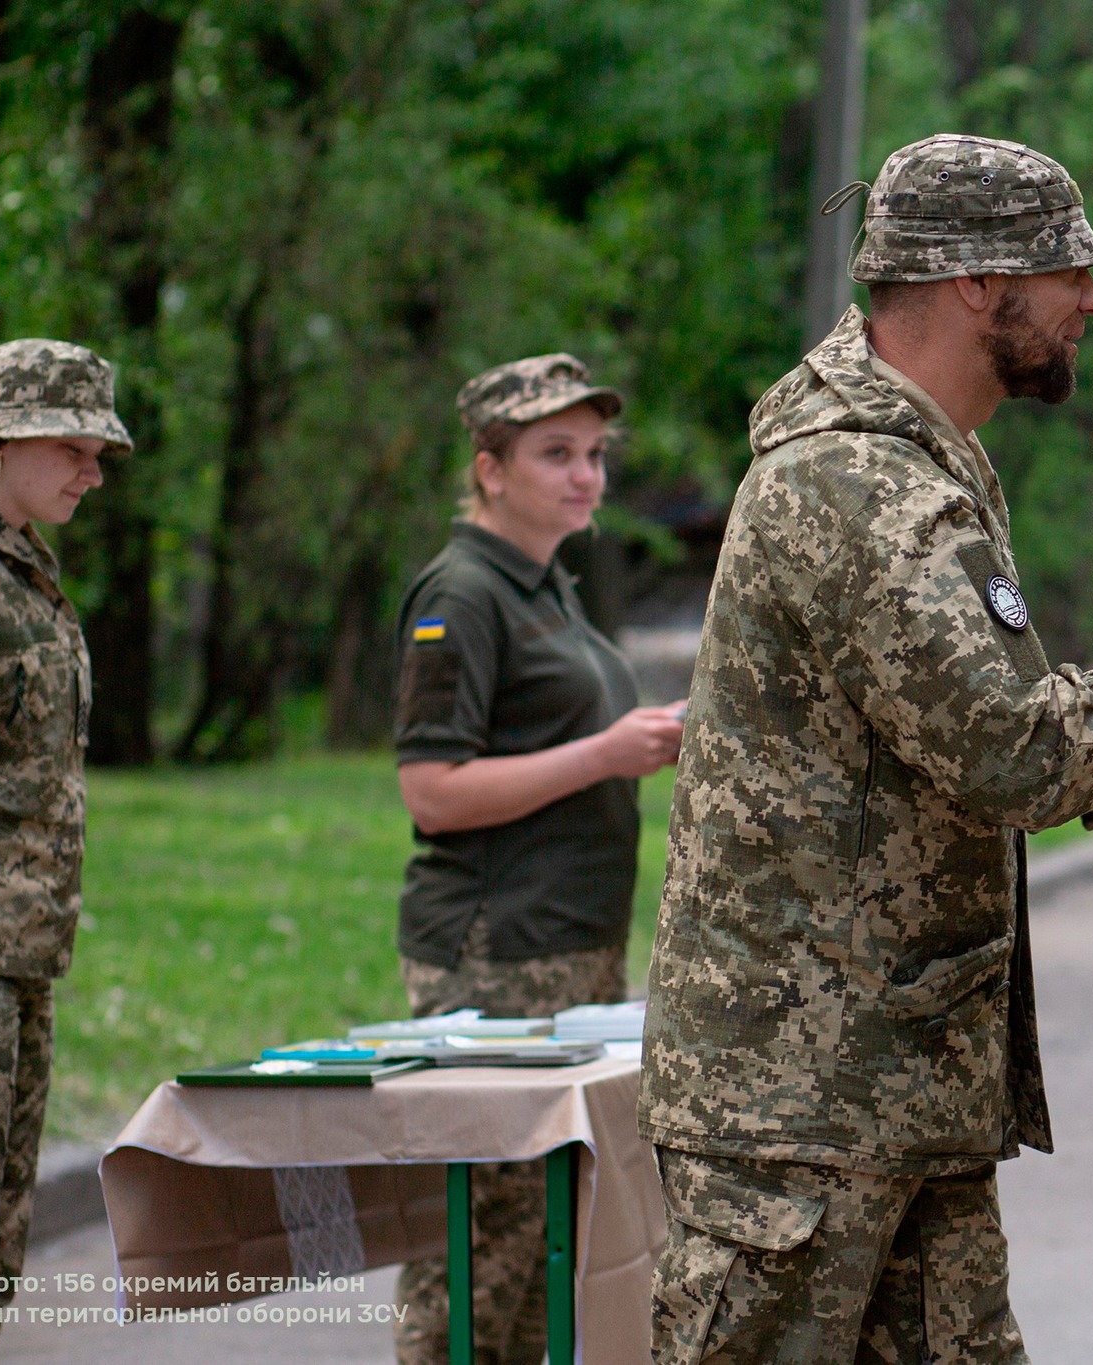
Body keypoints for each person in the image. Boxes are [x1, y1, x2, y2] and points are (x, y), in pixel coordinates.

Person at [638, 134, 1093, 1364]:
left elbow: (922, 740)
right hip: (803, 1108)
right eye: (1070, 272)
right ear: (977, 286)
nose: (1092, 301)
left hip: (881, 1095)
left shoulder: (917, 462)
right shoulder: (861, 483)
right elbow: (1005, 752)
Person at [389, 354, 685, 1365]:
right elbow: (431, 790)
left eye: (595, 455)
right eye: (554, 453)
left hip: (566, 952)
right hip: (493, 954)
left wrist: (646, 735)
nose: (584, 476)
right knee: (473, 1250)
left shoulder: (546, 585)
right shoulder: (460, 593)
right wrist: (607, 752)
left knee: (539, 1250)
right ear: (488, 468)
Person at [0, 339, 131, 1365]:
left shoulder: (22, 564)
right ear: (8, 441)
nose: (94, 471)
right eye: (79, 448)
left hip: (12, 962)